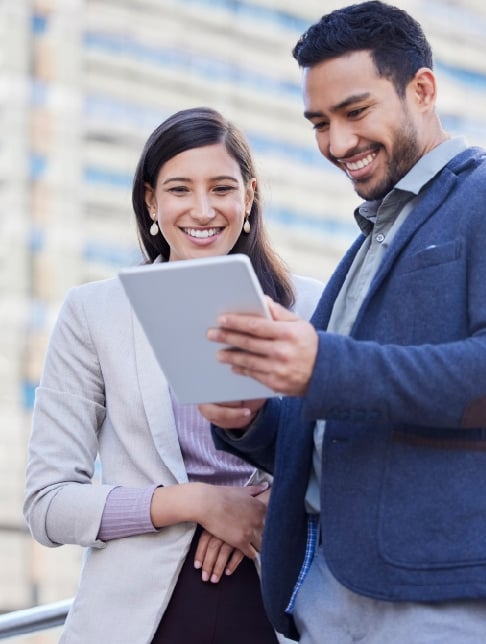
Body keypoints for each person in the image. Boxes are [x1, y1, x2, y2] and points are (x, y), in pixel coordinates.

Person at [199, 3, 486, 643]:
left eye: (356, 113)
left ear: (423, 89)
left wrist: (321, 363)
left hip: (447, 590)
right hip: (323, 595)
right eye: (319, 123)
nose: (337, 143)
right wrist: (253, 418)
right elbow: (341, 418)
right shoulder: (364, 247)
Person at [23, 106, 323, 644]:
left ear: (250, 197)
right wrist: (200, 503)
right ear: (150, 200)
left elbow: (356, 463)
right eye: (180, 189)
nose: (203, 210)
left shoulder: (314, 307)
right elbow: (49, 503)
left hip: (285, 609)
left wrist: (271, 506)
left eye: (223, 188)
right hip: (137, 622)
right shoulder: (96, 314)